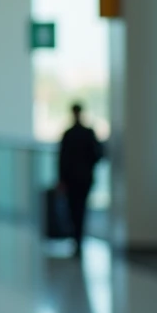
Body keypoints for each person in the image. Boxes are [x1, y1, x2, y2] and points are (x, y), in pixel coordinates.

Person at [58, 103, 104, 257]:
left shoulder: (68, 134)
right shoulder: (88, 133)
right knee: (82, 208)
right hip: (84, 178)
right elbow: (98, 155)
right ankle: (79, 238)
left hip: (71, 179)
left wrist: (62, 179)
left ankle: (76, 238)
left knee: (73, 208)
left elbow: (62, 159)